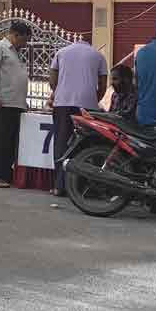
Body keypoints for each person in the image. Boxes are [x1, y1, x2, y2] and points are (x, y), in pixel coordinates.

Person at [48, 33, 107, 195]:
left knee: (61, 143)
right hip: (87, 106)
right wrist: (93, 100)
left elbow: (52, 80)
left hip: (63, 105)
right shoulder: (98, 55)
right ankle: (81, 188)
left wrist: (59, 93)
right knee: (85, 145)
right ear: (89, 42)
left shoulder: (61, 52)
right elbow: (103, 84)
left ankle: (59, 186)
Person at [0, 20, 32, 189]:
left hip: (16, 103)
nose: (25, 44)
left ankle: (6, 172)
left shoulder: (16, 52)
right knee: (0, 139)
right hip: (2, 102)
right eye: (24, 40)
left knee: (11, 140)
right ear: (15, 35)